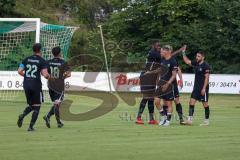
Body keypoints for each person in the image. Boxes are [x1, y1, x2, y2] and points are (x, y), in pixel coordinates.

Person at [17, 43, 50, 131]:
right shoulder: (42, 61)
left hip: (26, 84)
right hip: (36, 85)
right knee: (37, 106)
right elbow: (45, 74)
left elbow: (19, 71)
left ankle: (22, 115)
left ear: (33, 50)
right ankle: (31, 127)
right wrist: (49, 77)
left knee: (31, 105)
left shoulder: (26, 59)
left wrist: (27, 77)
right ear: (40, 50)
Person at [181, 47, 210, 126]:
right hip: (196, 88)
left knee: (205, 104)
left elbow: (207, 78)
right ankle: (189, 120)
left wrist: (204, 88)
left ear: (203, 57)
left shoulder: (206, 65)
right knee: (191, 102)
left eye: (199, 56)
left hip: (203, 88)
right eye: (197, 56)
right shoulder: (196, 63)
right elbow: (187, 61)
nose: (197, 57)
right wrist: (183, 52)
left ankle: (206, 121)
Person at [43, 46, 71, 128]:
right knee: (57, 104)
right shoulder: (63, 62)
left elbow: (45, 75)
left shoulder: (48, 62)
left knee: (56, 104)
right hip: (59, 86)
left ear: (52, 53)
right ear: (59, 53)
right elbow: (69, 74)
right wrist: (62, 78)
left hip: (51, 85)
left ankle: (55, 120)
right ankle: (52, 119)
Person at [136, 40, 161, 125]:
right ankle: (138, 118)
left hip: (151, 78)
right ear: (153, 46)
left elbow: (158, 70)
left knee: (151, 98)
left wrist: (157, 81)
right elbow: (164, 57)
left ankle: (151, 119)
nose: (159, 47)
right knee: (146, 97)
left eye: (160, 46)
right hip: (146, 77)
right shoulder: (152, 53)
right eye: (157, 46)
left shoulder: (156, 56)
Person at [157, 45, 178, 126]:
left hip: (169, 85)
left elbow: (174, 75)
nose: (161, 53)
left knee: (168, 103)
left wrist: (167, 84)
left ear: (167, 51)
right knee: (157, 101)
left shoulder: (173, 61)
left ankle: (168, 121)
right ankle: (163, 117)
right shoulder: (162, 60)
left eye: (162, 51)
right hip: (161, 84)